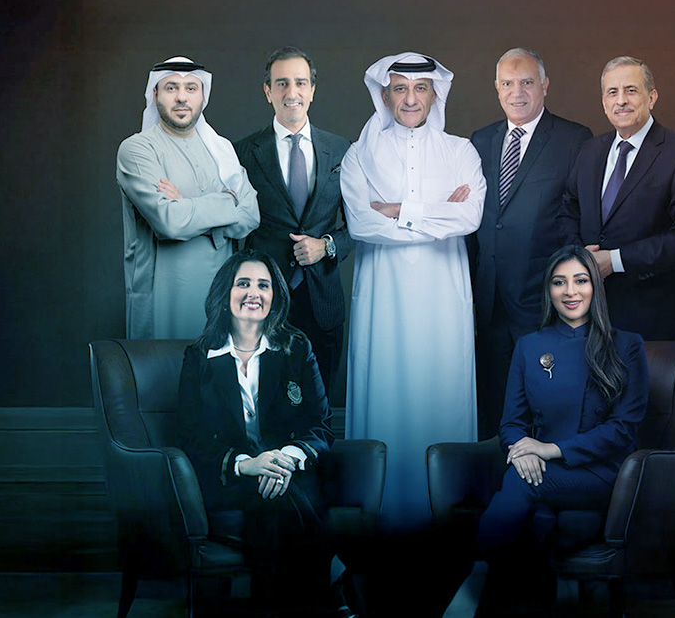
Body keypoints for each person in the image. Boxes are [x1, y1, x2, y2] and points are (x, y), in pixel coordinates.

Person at [340, 52, 486, 531]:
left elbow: (469, 217)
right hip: (383, 300)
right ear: (384, 95)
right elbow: (362, 224)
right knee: (384, 388)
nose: (409, 98)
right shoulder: (359, 154)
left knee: (442, 388)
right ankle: (381, 513)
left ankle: (445, 515)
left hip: (444, 299)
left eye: (420, 88)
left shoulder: (461, 150)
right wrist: (437, 212)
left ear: (435, 94)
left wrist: (398, 209)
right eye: (399, 88)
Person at [177, 249, 354, 617]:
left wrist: (283, 460)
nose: (253, 293)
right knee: (276, 499)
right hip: (230, 476)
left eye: (264, 285)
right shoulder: (199, 357)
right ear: (226, 293)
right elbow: (191, 435)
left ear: (275, 296)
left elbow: (320, 424)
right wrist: (247, 464)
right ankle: (329, 593)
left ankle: (272, 607)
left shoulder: (297, 348)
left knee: (275, 499)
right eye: (243, 283)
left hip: (290, 471)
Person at [475, 245, 650, 615]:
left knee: (520, 488)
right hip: (543, 471)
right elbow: (511, 423)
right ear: (549, 290)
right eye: (559, 282)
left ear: (595, 287)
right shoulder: (529, 346)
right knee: (546, 523)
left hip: (601, 473)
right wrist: (522, 450)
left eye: (580, 280)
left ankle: (471, 578)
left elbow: (623, 430)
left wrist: (548, 450)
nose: (570, 291)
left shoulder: (626, 345)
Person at [470, 47, 593, 440]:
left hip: (540, 299)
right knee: (492, 405)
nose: (517, 92)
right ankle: (497, 474)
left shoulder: (574, 139)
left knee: (545, 404)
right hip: (488, 302)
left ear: (545, 85)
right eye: (508, 83)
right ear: (496, 88)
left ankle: (544, 473)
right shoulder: (480, 140)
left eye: (526, 82)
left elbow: (579, 218)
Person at [559, 56, 675, 340]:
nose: (621, 101)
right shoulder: (590, 150)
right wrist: (579, 256)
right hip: (588, 316)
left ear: (651, 97)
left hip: (652, 321)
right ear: (604, 102)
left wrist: (616, 260)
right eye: (612, 92)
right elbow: (569, 208)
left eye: (631, 90)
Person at [116, 56, 260, 339]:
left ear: (203, 96)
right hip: (163, 302)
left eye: (191, 88)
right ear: (155, 94)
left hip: (221, 299)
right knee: (164, 367)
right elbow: (169, 222)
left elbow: (251, 216)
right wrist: (227, 201)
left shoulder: (221, 150)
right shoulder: (137, 149)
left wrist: (185, 205)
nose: (182, 97)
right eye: (171, 88)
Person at [236, 47, 354, 392]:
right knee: (264, 398)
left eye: (300, 83)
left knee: (319, 400)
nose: (292, 92)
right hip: (263, 299)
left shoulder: (342, 150)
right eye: (282, 83)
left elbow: (359, 227)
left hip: (323, 300)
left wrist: (326, 246)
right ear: (267, 91)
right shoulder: (242, 152)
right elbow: (231, 222)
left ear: (312, 90)